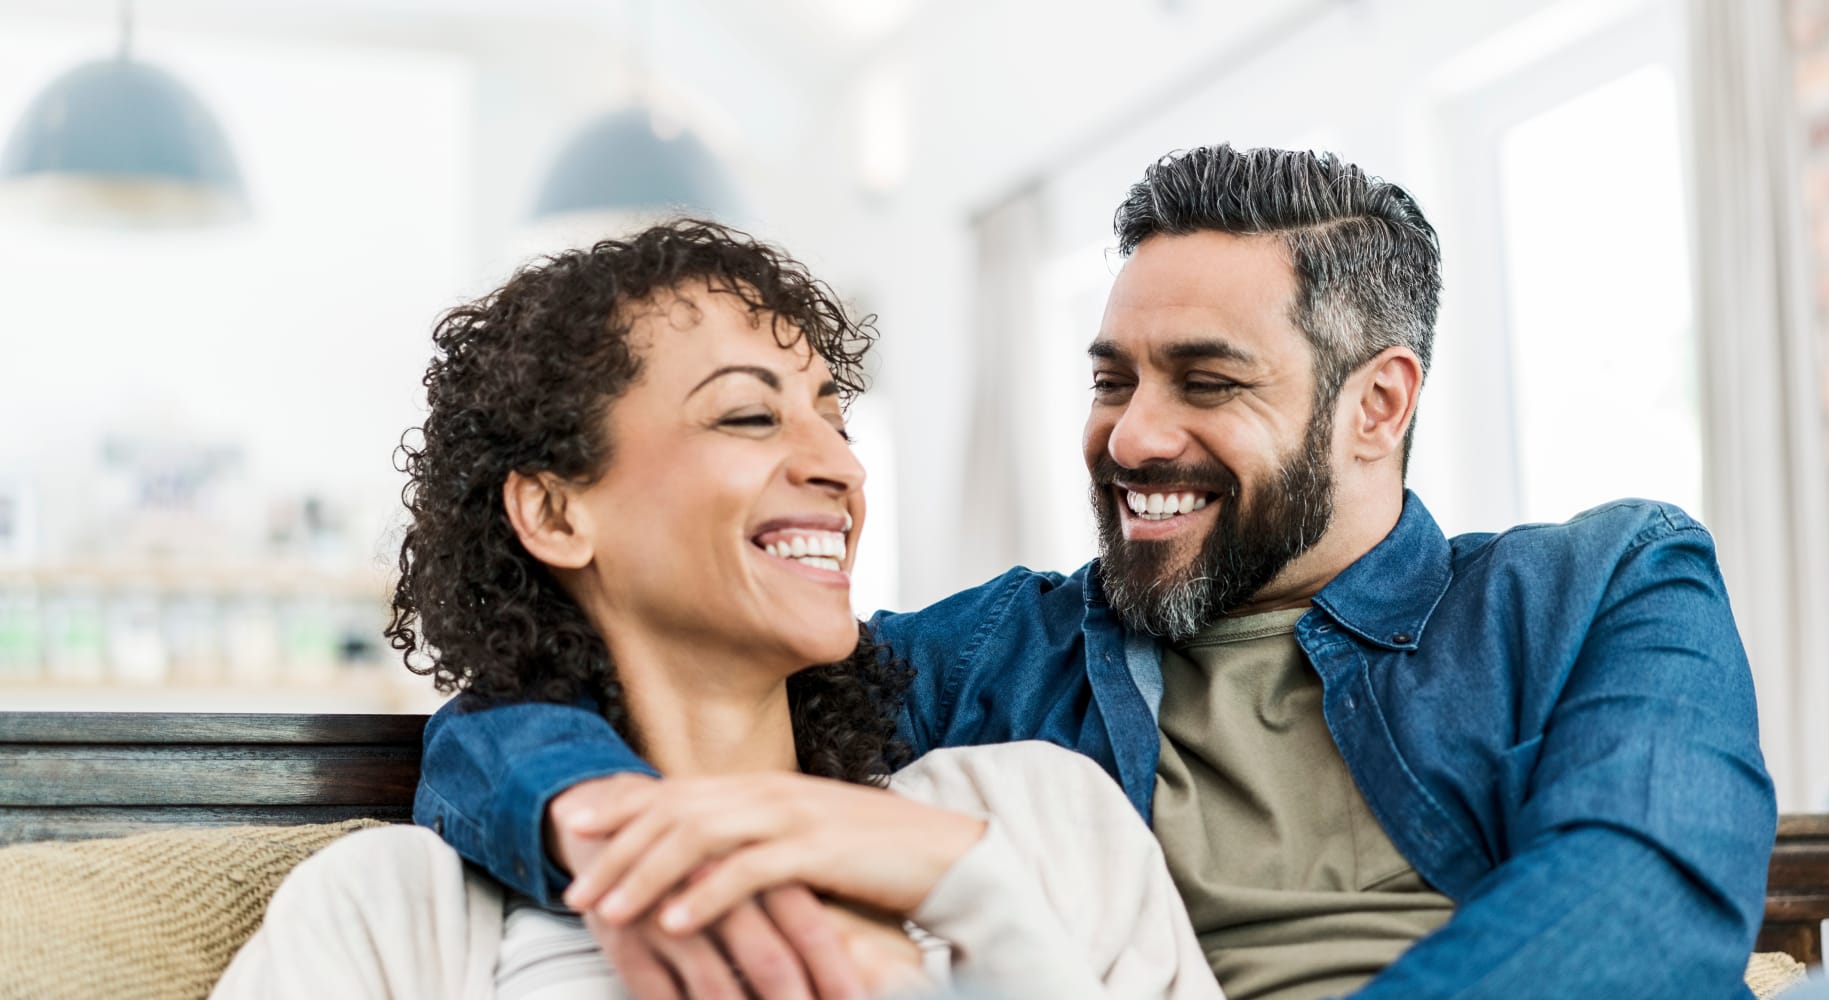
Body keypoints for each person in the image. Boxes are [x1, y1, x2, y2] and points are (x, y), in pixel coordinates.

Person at [417, 146, 1779, 999]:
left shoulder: (1603, 589)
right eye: (1114, 377)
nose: (1132, 435)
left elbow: (1639, 909)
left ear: (1377, 405)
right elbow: (518, 712)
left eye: (1206, 382)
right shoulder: (1003, 663)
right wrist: (599, 820)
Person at [210, 221, 1223, 1000]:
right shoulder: (396, 912)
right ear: (557, 510)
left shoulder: (1032, 818)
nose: (836, 461)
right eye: (748, 414)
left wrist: (975, 892)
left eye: (833, 413)